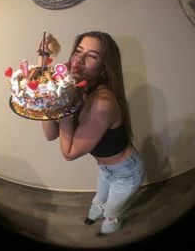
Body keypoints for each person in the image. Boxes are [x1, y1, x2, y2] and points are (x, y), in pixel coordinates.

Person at [42, 31, 145, 235]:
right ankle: (92, 217)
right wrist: (47, 99)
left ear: (105, 68)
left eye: (92, 56)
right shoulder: (78, 86)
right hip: (105, 168)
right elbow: (50, 135)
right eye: (78, 51)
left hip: (127, 172)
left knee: (112, 211)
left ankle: (108, 227)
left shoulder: (102, 104)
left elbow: (69, 153)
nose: (79, 59)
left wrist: (65, 111)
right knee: (99, 198)